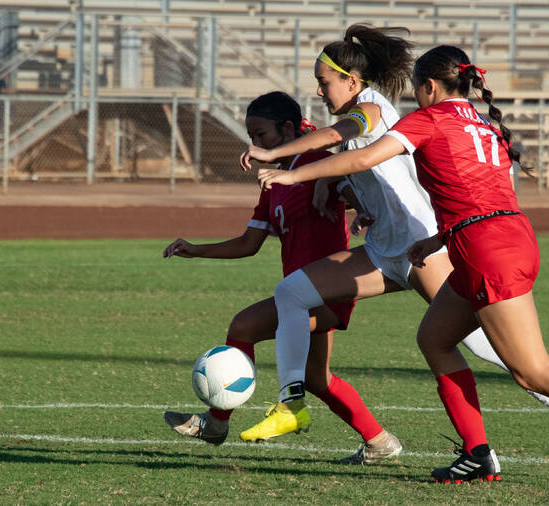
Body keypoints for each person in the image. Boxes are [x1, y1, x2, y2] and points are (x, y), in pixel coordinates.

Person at [256, 45, 549, 492]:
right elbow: (483, 193)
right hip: (494, 238)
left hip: (488, 251)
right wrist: (438, 238)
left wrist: (291, 174)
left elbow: (363, 156)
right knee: (435, 339)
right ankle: (477, 454)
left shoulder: (428, 119)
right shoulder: (482, 122)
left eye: (418, 90)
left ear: (430, 87)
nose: (414, 99)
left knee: (532, 369)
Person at [162, 91, 403, 464]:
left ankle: (216, 422)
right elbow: (249, 243)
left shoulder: (317, 162)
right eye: (252, 137)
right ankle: (379, 441)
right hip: (301, 292)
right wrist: (196, 250)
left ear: (288, 128)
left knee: (243, 326)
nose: (256, 145)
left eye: (261, 136)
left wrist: (362, 208)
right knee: (318, 379)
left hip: (329, 288)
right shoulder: (275, 180)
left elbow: (353, 181)